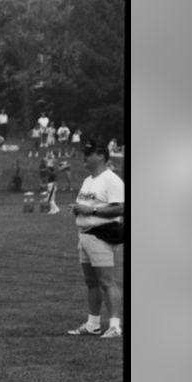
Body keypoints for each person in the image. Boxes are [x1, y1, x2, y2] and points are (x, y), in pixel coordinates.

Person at [67, 141, 125, 339]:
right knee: (91, 282)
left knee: (106, 281)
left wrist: (91, 210)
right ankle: (93, 324)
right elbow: (88, 203)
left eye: (89, 153)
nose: (85, 156)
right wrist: (78, 208)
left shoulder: (112, 180)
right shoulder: (89, 180)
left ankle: (115, 326)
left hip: (100, 234)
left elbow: (121, 208)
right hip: (84, 235)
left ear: (101, 156)